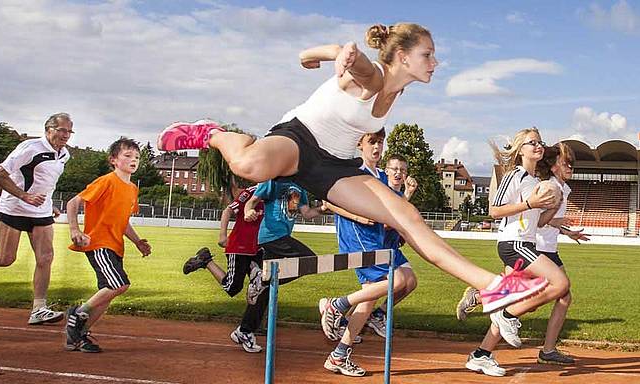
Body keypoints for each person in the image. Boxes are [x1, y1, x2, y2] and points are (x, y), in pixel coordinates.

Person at [157, 23, 549, 313]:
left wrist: (320, 58)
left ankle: (497, 287)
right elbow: (358, 65)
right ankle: (212, 133)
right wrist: (338, 54)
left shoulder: (396, 89)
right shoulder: (375, 76)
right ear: (402, 56)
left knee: (408, 217)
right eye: (428, 54)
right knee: (250, 164)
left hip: (336, 166)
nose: (436, 61)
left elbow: (331, 63)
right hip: (299, 141)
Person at [460, 128, 570, 377]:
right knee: (560, 283)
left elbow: (539, 222)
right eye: (532, 143)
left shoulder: (535, 182)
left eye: (540, 142)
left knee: (517, 296)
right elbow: (495, 211)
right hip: (513, 244)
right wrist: (530, 203)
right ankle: (506, 315)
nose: (538, 146)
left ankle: (481, 355)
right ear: (521, 150)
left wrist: (553, 205)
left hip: (527, 244)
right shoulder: (515, 176)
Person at [317, 131, 419, 377]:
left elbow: (395, 208)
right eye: (372, 142)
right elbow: (327, 200)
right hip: (358, 238)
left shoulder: (381, 176)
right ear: (359, 145)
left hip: (378, 240)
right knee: (398, 281)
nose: (377, 147)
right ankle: (336, 305)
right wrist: (357, 216)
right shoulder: (353, 171)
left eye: (380, 142)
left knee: (392, 287)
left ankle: (339, 354)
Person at [0, 113, 73, 325]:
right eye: (62, 130)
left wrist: (50, 205)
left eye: (69, 131)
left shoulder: (64, 155)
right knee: (6, 259)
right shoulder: (30, 148)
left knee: (45, 258)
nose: (66, 135)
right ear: (48, 129)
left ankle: (39, 308)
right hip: (14, 209)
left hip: (41, 212)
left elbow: (45, 182)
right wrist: (25, 196)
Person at [63, 138, 152, 353]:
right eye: (128, 156)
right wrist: (75, 230)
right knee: (119, 285)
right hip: (98, 243)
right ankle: (77, 314)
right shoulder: (106, 181)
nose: (134, 160)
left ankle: (77, 338)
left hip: (115, 245)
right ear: (113, 160)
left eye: (137, 157)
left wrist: (138, 241)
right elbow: (73, 203)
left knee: (107, 295)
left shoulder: (132, 189)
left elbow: (123, 222)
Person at [224, 178, 328, 353]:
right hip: (272, 236)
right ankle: (262, 280)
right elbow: (252, 201)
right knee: (309, 261)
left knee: (265, 291)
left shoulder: (300, 187)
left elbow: (307, 213)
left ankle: (244, 331)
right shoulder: (273, 181)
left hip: (280, 236)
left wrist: (323, 208)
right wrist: (248, 211)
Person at [533, 143, 589, 365]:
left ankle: (548, 350)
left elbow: (549, 222)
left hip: (549, 249)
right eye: (566, 163)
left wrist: (568, 232)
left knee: (563, 296)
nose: (571, 168)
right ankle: (480, 296)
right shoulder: (548, 187)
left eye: (572, 164)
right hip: (537, 248)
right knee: (529, 298)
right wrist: (557, 221)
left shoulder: (563, 189)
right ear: (554, 166)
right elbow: (535, 221)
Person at [182, 179, 266, 308]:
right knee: (232, 288)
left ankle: (253, 324)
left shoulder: (274, 196)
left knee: (261, 286)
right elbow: (228, 211)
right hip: (239, 247)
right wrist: (222, 235)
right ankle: (206, 261)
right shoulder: (250, 193)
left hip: (258, 248)